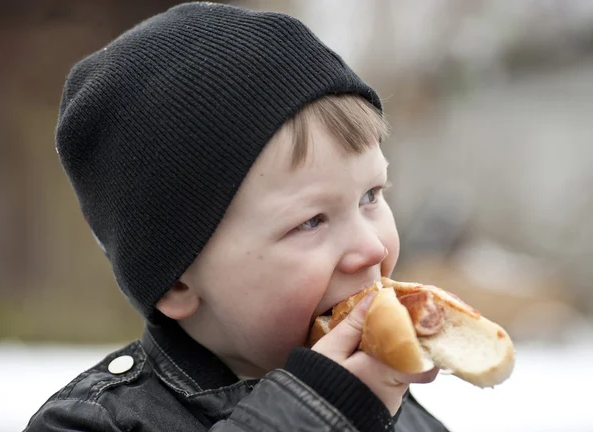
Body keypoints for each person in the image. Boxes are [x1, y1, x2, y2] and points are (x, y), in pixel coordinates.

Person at [25, 2, 450, 431]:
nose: (372, 248)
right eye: (310, 221)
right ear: (178, 279)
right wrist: (318, 415)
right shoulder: (93, 422)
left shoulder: (400, 412)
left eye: (370, 196)